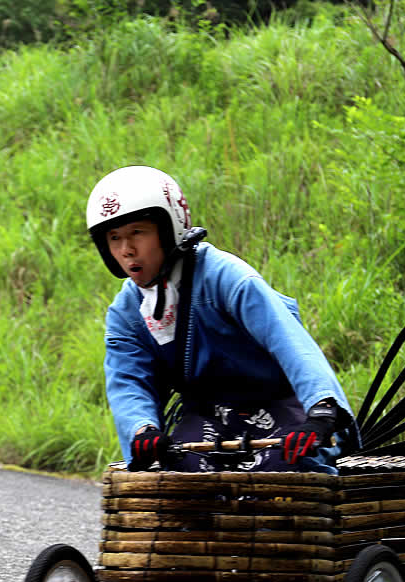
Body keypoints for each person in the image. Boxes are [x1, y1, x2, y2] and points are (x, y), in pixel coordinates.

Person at [86, 165, 356, 473]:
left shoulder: (227, 277)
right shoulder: (125, 312)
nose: (127, 249)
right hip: (207, 415)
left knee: (286, 467)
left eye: (138, 232)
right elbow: (128, 381)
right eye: (114, 238)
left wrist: (321, 409)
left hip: (281, 405)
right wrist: (142, 429)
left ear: (169, 228)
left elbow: (290, 343)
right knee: (182, 473)